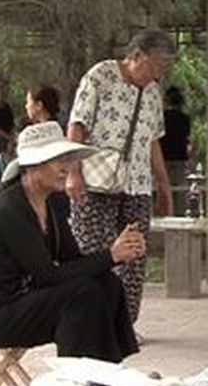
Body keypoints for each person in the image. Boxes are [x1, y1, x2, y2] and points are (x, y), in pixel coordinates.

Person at [0, 122, 142, 366]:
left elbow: (72, 260)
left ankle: (105, 371)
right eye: (59, 160)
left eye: (68, 159)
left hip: (26, 299)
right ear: (33, 166)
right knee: (80, 295)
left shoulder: (53, 202)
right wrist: (111, 255)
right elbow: (48, 276)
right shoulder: (10, 209)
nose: (66, 168)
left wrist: (119, 251)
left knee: (106, 282)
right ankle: (72, 385)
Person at [67, 29, 175, 327]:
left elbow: (153, 140)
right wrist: (73, 173)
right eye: (153, 66)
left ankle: (124, 326)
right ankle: (92, 321)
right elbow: (77, 125)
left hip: (137, 184)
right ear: (136, 55)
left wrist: (163, 185)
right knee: (96, 252)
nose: (156, 75)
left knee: (134, 258)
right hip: (96, 179)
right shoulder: (99, 76)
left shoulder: (152, 92)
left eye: (161, 70)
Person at [160, 86, 191, 215]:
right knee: (179, 188)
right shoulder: (184, 118)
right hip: (179, 157)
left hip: (164, 157)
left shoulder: (162, 117)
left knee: (164, 186)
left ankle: (164, 212)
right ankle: (179, 213)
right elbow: (187, 137)